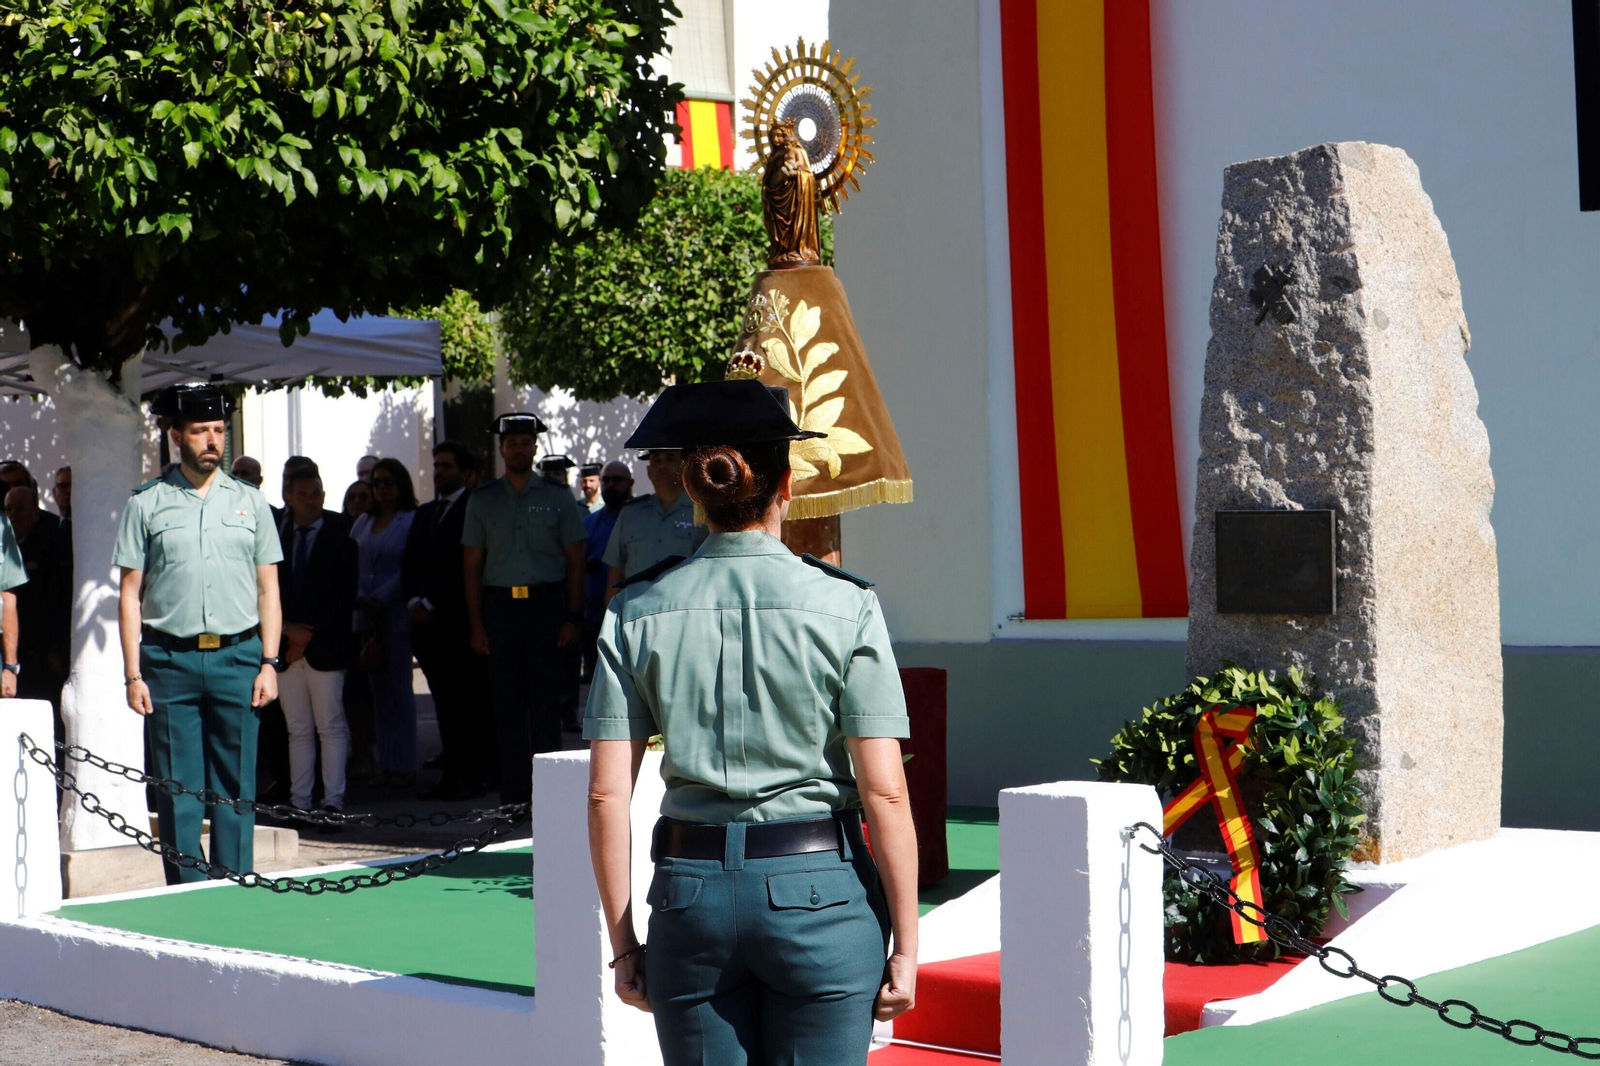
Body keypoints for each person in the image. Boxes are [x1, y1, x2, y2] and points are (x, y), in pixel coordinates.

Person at [585, 380, 918, 1065]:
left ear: (696, 492)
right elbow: (885, 791)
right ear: (787, 485)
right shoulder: (846, 604)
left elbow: (605, 795)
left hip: (691, 897)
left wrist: (622, 945)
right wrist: (908, 949)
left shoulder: (635, 608)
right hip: (820, 891)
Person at [113, 383, 284, 884]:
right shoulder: (146, 503)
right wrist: (132, 674)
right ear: (176, 436)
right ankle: (187, 893)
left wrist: (270, 663)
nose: (213, 441)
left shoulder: (251, 502)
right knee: (177, 790)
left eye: (218, 430)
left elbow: (269, 590)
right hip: (170, 662)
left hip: (238, 658)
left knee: (236, 786)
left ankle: (233, 888)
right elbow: (129, 594)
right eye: (200, 431)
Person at [462, 413, 585, 805]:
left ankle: (550, 798)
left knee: (547, 705)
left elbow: (576, 559)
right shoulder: (483, 499)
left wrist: (573, 616)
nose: (518, 449)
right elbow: (471, 566)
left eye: (525, 443)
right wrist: (476, 624)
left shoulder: (558, 496)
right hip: (500, 610)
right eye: (511, 443)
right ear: (501, 449)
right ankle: (514, 797)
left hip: (546, 608)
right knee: (506, 705)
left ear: (535, 448)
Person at [404, 441, 492, 800]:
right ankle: (451, 772)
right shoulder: (425, 512)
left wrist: (431, 601)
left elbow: (467, 567)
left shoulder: (474, 508)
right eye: (436, 465)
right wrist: (414, 600)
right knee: (443, 703)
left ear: (464, 472)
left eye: (447, 466)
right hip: (428, 630)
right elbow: (410, 561)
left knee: (468, 704)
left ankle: (473, 775)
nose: (439, 472)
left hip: (460, 623)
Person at [277, 467, 358, 819]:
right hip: (285, 647)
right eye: (303, 494)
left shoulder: (342, 542)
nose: (310, 501)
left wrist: (305, 639)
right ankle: (300, 802)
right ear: (288, 498)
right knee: (297, 730)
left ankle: (333, 802)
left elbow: (343, 601)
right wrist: (287, 632)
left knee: (331, 726)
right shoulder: (275, 541)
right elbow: (266, 593)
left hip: (326, 649)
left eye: (316, 494)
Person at [351, 458, 419, 787]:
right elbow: (350, 562)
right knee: (378, 696)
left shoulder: (411, 520)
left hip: (395, 615)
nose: (381, 487)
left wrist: (381, 597)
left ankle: (404, 766)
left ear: (401, 484)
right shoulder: (363, 522)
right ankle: (385, 764)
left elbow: (410, 567)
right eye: (376, 482)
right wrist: (361, 596)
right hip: (365, 616)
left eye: (388, 481)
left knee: (400, 693)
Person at [602, 448, 707, 600]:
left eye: (670, 458)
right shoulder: (630, 513)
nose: (662, 466)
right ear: (649, 471)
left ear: (684, 467)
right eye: (656, 460)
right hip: (637, 610)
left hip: (685, 608)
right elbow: (615, 574)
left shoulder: (702, 511)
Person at [5, 485, 68, 729]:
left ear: (35, 511)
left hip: (41, 649)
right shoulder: (4, 546)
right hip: (12, 648)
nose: (13, 515)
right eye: (9, 509)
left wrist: (54, 648)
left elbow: (56, 599)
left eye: (20, 509)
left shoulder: (50, 545)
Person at [581, 461, 633, 685]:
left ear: (630, 483)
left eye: (617, 480)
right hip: (595, 619)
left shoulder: (639, 520)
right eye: (607, 480)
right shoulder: (589, 523)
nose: (611, 485)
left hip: (631, 616)